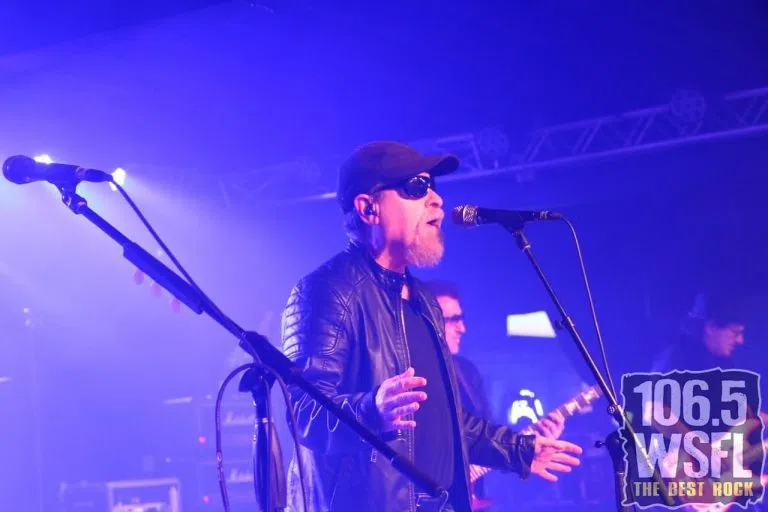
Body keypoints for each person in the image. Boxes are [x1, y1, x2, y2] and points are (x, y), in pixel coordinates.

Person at [280, 141, 583, 512]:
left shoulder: (424, 301)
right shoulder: (328, 291)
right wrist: (372, 410)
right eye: (416, 187)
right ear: (368, 208)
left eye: (433, 187)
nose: (436, 199)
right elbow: (303, 412)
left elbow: (447, 421)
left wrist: (518, 450)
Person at [424, 279, 566, 510]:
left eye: (462, 318)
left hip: (469, 498)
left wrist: (530, 443)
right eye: (454, 319)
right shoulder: (416, 373)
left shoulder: (466, 372)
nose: (462, 328)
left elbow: (487, 433)